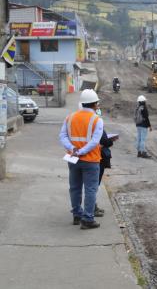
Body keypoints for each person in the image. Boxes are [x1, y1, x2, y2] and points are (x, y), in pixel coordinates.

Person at [59, 89, 103, 229]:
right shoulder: (97, 120)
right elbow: (95, 141)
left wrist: (73, 150)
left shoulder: (70, 117)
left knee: (75, 187)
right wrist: (81, 152)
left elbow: (62, 136)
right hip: (90, 160)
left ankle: (77, 214)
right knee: (90, 189)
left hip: (73, 159)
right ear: (95, 104)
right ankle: (88, 219)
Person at [95, 108, 118, 217]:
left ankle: (87, 209)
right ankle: (92, 208)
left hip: (84, 158)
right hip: (97, 159)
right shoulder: (97, 124)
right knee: (94, 185)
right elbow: (104, 140)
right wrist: (110, 141)